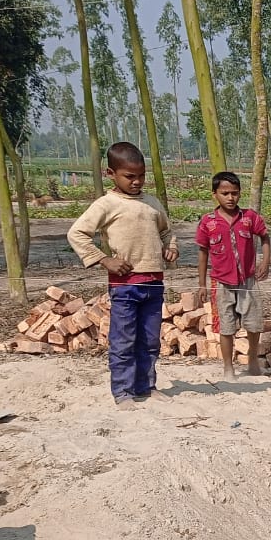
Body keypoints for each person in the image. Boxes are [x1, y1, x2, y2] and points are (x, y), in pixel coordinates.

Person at [67, 142, 178, 407]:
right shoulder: (106, 204)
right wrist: (105, 259)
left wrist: (171, 248)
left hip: (154, 284)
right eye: (129, 176)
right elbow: (76, 233)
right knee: (124, 340)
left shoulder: (152, 203)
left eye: (141, 176)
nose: (136, 181)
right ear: (111, 173)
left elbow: (166, 231)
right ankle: (123, 391)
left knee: (150, 340)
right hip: (124, 285)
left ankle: (146, 386)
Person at [195, 171, 271, 379]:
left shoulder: (249, 217)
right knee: (226, 326)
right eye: (225, 193)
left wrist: (265, 261)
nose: (230, 198)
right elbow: (202, 252)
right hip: (221, 282)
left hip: (248, 280)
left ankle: (253, 361)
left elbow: (265, 237)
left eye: (234, 193)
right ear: (214, 194)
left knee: (254, 323)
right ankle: (228, 367)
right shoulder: (208, 222)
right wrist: (202, 284)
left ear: (240, 194)